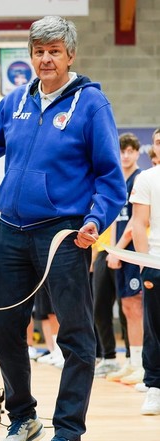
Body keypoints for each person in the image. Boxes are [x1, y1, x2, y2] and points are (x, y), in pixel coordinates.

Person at [0, 16, 126, 441]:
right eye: (38, 51)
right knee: (4, 333)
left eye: (54, 51)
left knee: (76, 335)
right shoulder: (15, 101)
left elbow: (111, 180)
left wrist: (95, 220)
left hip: (63, 236)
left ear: (70, 54)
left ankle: (69, 431)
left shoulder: (92, 105)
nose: (45, 58)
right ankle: (23, 417)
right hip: (11, 235)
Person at [105, 133, 144, 385]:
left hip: (132, 252)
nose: (126, 155)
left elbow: (134, 222)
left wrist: (117, 250)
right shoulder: (118, 179)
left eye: (130, 150)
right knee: (127, 308)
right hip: (119, 251)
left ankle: (142, 364)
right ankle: (132, 360)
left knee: (136, 308)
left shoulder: (140, 179)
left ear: (138, 152)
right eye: (122, 151)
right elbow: (115, 220)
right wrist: (111, 249)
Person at [129, 146, 160, 415]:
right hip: (157, 262)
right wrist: (144, 263)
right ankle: (154, 388)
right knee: (155, 327)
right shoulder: (147, 178)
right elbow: (138, 223)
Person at [92, 225, 128, 378]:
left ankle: (131, 358)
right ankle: (109, 358)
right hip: (102, 251)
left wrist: (118, 249)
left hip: (125, 250)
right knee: (99, 307)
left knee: (126, 307)